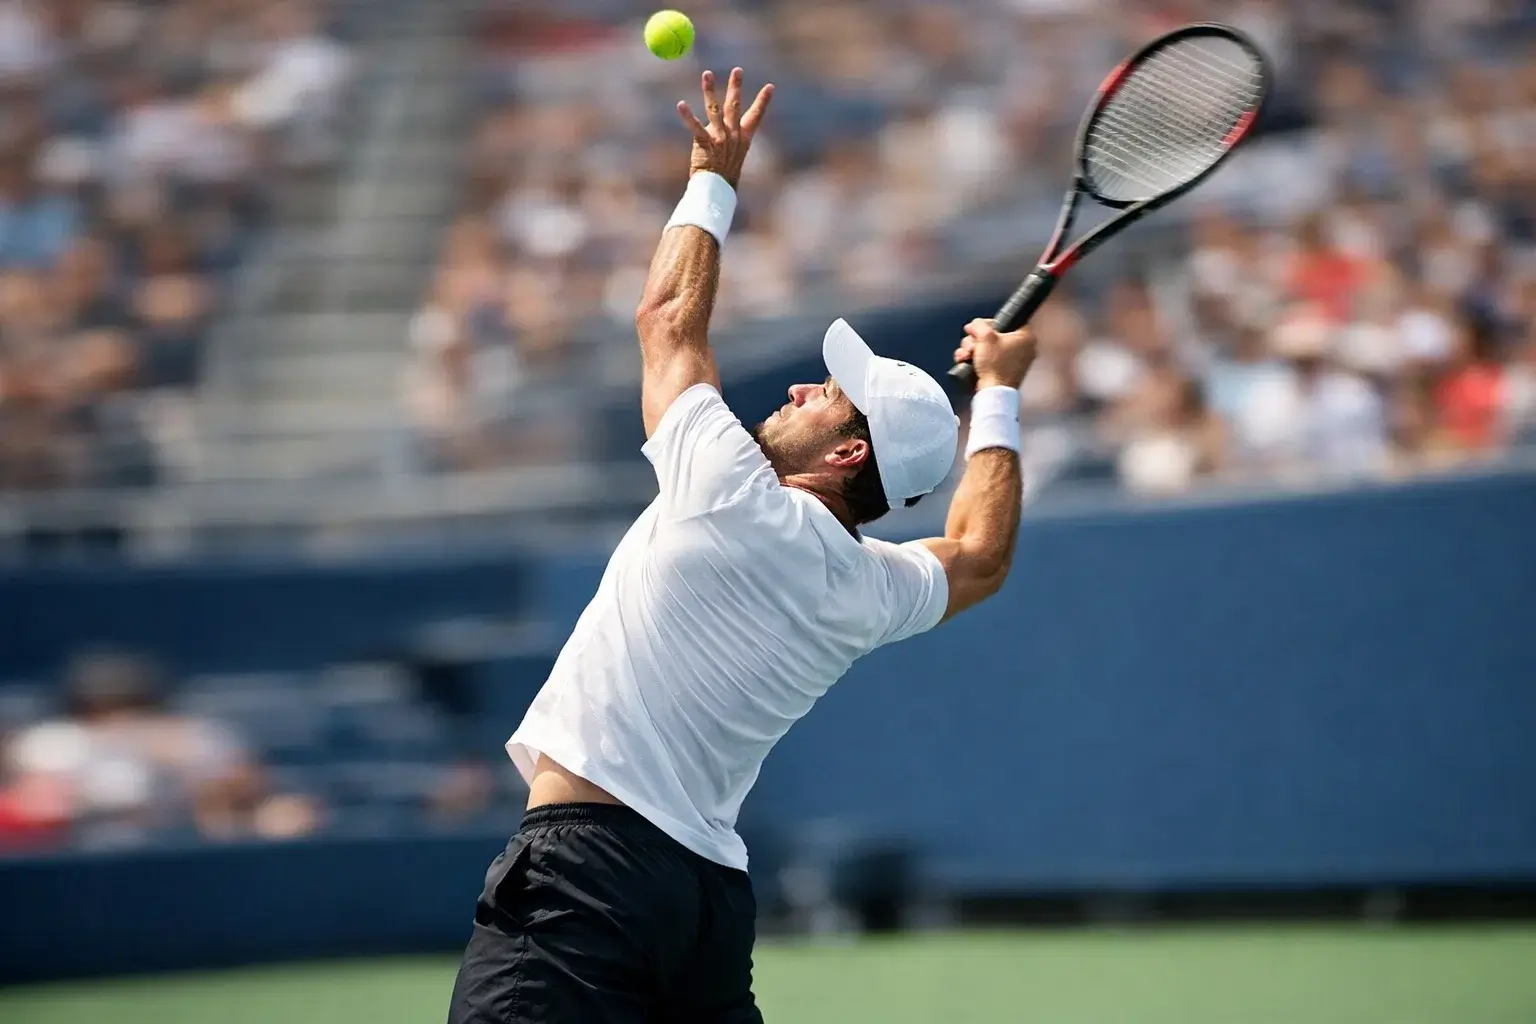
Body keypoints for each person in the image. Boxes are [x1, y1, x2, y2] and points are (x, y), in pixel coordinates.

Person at [447, 68, 1034, 1024]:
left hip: (586, 874)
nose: (801, 388)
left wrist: (712, 178)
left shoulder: (731, 491)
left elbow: (666, 321)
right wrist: (1000, 395)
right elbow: (980, 556)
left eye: (827, 396)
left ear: (847, 453)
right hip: (707, 909)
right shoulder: (869, 588)